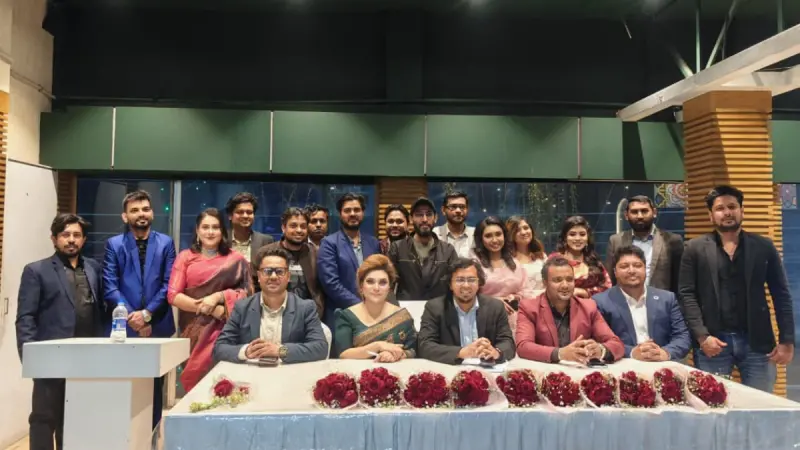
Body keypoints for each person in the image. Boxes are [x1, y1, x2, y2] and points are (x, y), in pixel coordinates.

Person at [678, 185, 794, 392]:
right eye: (720, 208)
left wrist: (787, 340)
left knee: (761, 403)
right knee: (711, 404)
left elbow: (781, 294)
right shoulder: (694, 248)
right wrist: (702, 336)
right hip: (713, 341)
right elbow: (687, 294)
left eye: (732, 207)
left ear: (742, 210)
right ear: (711, 215)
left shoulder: (764, 246)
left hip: (757, 342)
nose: (727, 212)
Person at [16, 214, 105, 450]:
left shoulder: (93, 269)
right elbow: (25, 317)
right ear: (54, 239)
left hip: (86, 359)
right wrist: (30, 357)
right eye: (65, 235)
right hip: (50, 359)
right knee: (44, 419)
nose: (71, 240)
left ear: (84, 240)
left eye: (77, 235)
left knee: (76, 420)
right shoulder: (36, 270)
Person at [103, 190, 176, 429]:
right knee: (123, 387)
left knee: (154, 389)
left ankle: (153, 438)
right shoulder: (114, 244)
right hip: (123, 328)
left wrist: (146, 315)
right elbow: (110, 286)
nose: (141, 214)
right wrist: (132, 316)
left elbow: (169, 284)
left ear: (152, 213)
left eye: (145, 209)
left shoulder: (166, 243)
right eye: (134, 210)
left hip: (158, 325)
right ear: (125, 217)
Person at [167, 208, 252, 392]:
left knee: (225, 383)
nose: (210, 232)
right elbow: (173, 295)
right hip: (193, 329)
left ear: (222, 231)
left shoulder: (236, 260)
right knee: (195, 378)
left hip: (226, 331)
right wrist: (211, 308)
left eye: (215, 227)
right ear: (197, 230)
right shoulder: (185, 257)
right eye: (205, 227)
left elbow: (247, 293)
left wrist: (219, 296)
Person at [214, 247, 329, 364]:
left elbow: (320, 348)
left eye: (280, 271)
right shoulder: (242, 307)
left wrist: (281, 351)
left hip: (290, 372)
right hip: (252, 372)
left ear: (288, 276)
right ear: (259, 276)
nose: (273, 276)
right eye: (267, 271)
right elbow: (219, 348)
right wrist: (246, 351)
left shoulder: (305, 307)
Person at [516, 256, 624, 364]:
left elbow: (617, 344)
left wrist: (601, 350)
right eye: (558, 280)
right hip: (544, 370)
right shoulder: (529, 308)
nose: (565, 285)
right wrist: (560, 354)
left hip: (578, 370)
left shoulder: (588, 307)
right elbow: (523, 347)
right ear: (545, 283)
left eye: (569, 279)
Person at [593, 245, 690, 361]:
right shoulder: (600, 302)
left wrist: (665, 352)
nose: (631, 271)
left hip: (662, 362)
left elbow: (682, 337)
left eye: (637, 265)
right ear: (615, 272)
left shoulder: (667, 298)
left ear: (645, 269)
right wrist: (632, 352)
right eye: (624, 266)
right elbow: (599, 341)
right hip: (623, 364)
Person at [417, 258, 516, 365]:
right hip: (450, 368)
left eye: (471, 280)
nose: (466, 285)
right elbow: (424, 346)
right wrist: (461, 352)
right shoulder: (435, 308)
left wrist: (496, 352)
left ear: (479, 283)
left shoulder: (495, 307)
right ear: (450, 284)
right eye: (460, 280)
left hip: (487, 369)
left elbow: (508, 342)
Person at [333, 254, 417, 362]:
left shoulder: (403, 316)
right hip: (356, 371)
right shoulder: (346, 316)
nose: (376, 288)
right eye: (370, 282)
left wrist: (393, 354)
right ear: (361, 286)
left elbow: (413, 351)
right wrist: (378, 346)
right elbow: (343, 355)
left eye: (382, 282)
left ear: (389, 288)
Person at [318, 192, 380, 330]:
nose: (352, 214)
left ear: (363, 213)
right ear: (340, 214)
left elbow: (379, 276)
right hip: (341, 315)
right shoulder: (329, 243)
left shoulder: (373, 243)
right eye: (347, 210)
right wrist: (360, 305)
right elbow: (331, 283)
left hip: (372, 315)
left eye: (357, 210)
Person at [606, 195, 684, 292]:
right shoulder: (615, 241)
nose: (640, 216)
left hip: (661, 300)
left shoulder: (672, 240)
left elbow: (680, 280)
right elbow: (610, 279)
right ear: (626, 215)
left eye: (644, 211)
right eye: (634, 212)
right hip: (624, 299)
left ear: (654, 213)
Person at [257, 207, 325, 319]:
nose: (299, 230)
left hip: (309, 316)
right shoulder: (265, 253)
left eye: (303, 226)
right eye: (293, 226)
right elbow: (255, 286)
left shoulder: (315, 253)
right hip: (274, 315)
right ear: (283, 227)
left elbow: (320, 289)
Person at [389, 197, 458, 301]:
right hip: (406, 307)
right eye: (419, 215)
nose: (425, 219)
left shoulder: (448, 250)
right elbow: (388, 283)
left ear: (435, 218)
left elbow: (455, 283)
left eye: (429, 214)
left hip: (438, 308)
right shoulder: (397, 248)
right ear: (411, 219)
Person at [549, 216, 611, 298]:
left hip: (591, 305)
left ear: (587, 238)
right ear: (565, 238)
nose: (577, 238)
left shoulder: (593, 261)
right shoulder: (554, 260)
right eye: (572, 234)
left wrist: (585, 292)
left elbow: (607, 288)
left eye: (582, 234)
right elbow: (547, 286)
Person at [506, 216, 547, 296]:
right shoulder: (507, 259)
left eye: (526, 228)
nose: (523, 232)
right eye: (517, 230)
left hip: (544, 299)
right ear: (511, 234)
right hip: (520, 301)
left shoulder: (541, 256)